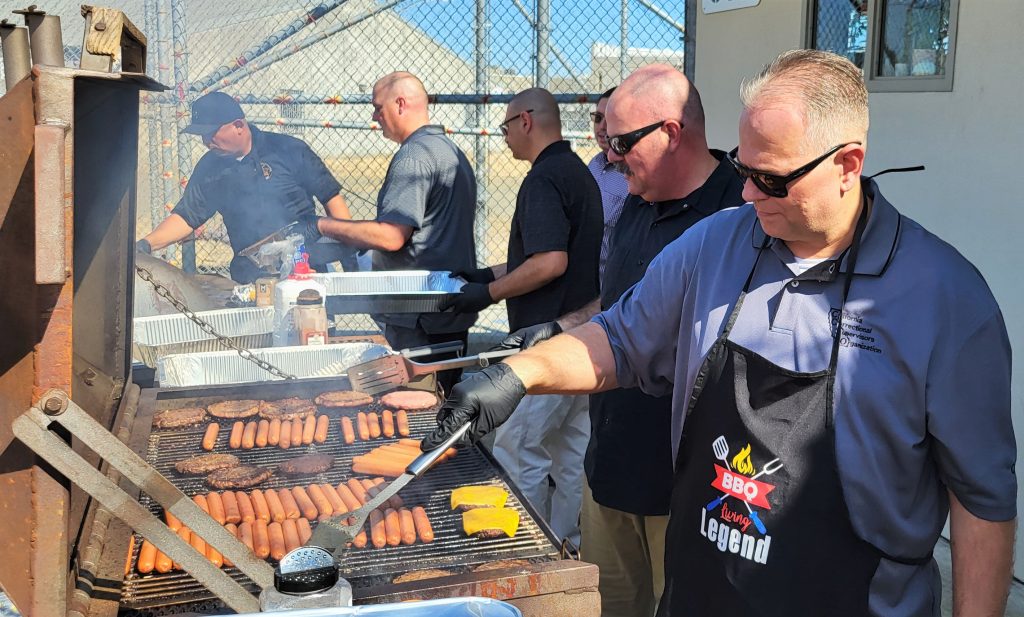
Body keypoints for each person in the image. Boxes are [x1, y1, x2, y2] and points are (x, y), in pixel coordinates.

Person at [424, 50, 1016, 616]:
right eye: (742, 168)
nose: (748, 192)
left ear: (847, 164)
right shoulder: (716, 246)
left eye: (772, 178)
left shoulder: (946, 300)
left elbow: (981, 499)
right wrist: (517, 375)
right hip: (703, 596)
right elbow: (623, 337)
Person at [503, 64, 745, 617]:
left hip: (685, 489)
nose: (609, 157)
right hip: (609, 466)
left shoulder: (739, 214)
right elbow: (620, 309)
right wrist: (561, 331)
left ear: (671, 133)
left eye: (621, 142)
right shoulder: (636, 201)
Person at [444, 87, 603, 546]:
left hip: (545, 345)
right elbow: (542, 256)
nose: (506, 137)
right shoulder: (577, 173)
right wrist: (482, 274)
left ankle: (525, 550)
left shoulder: (543, 179)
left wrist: (487, 293)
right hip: (582, 341)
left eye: (506, 126)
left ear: (527, 121)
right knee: (570, 454)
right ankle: (564, 542)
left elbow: (550, 262)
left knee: (519, 450)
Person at [138, 91, 352, 283]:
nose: (206, 141)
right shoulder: (210, 167)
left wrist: (349, 253)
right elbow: (187, 216)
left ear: (239, 126)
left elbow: (331, 199)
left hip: (306, 269)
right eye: (202, 136)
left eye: (211, 133)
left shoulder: (288, 149)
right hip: (251, 277)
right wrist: (145, 245)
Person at [587, 87, 630, 283]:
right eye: (597, 118)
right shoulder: (594, 165)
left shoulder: (632, 173)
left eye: (610, 120)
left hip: (614, 288)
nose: (602, 127)